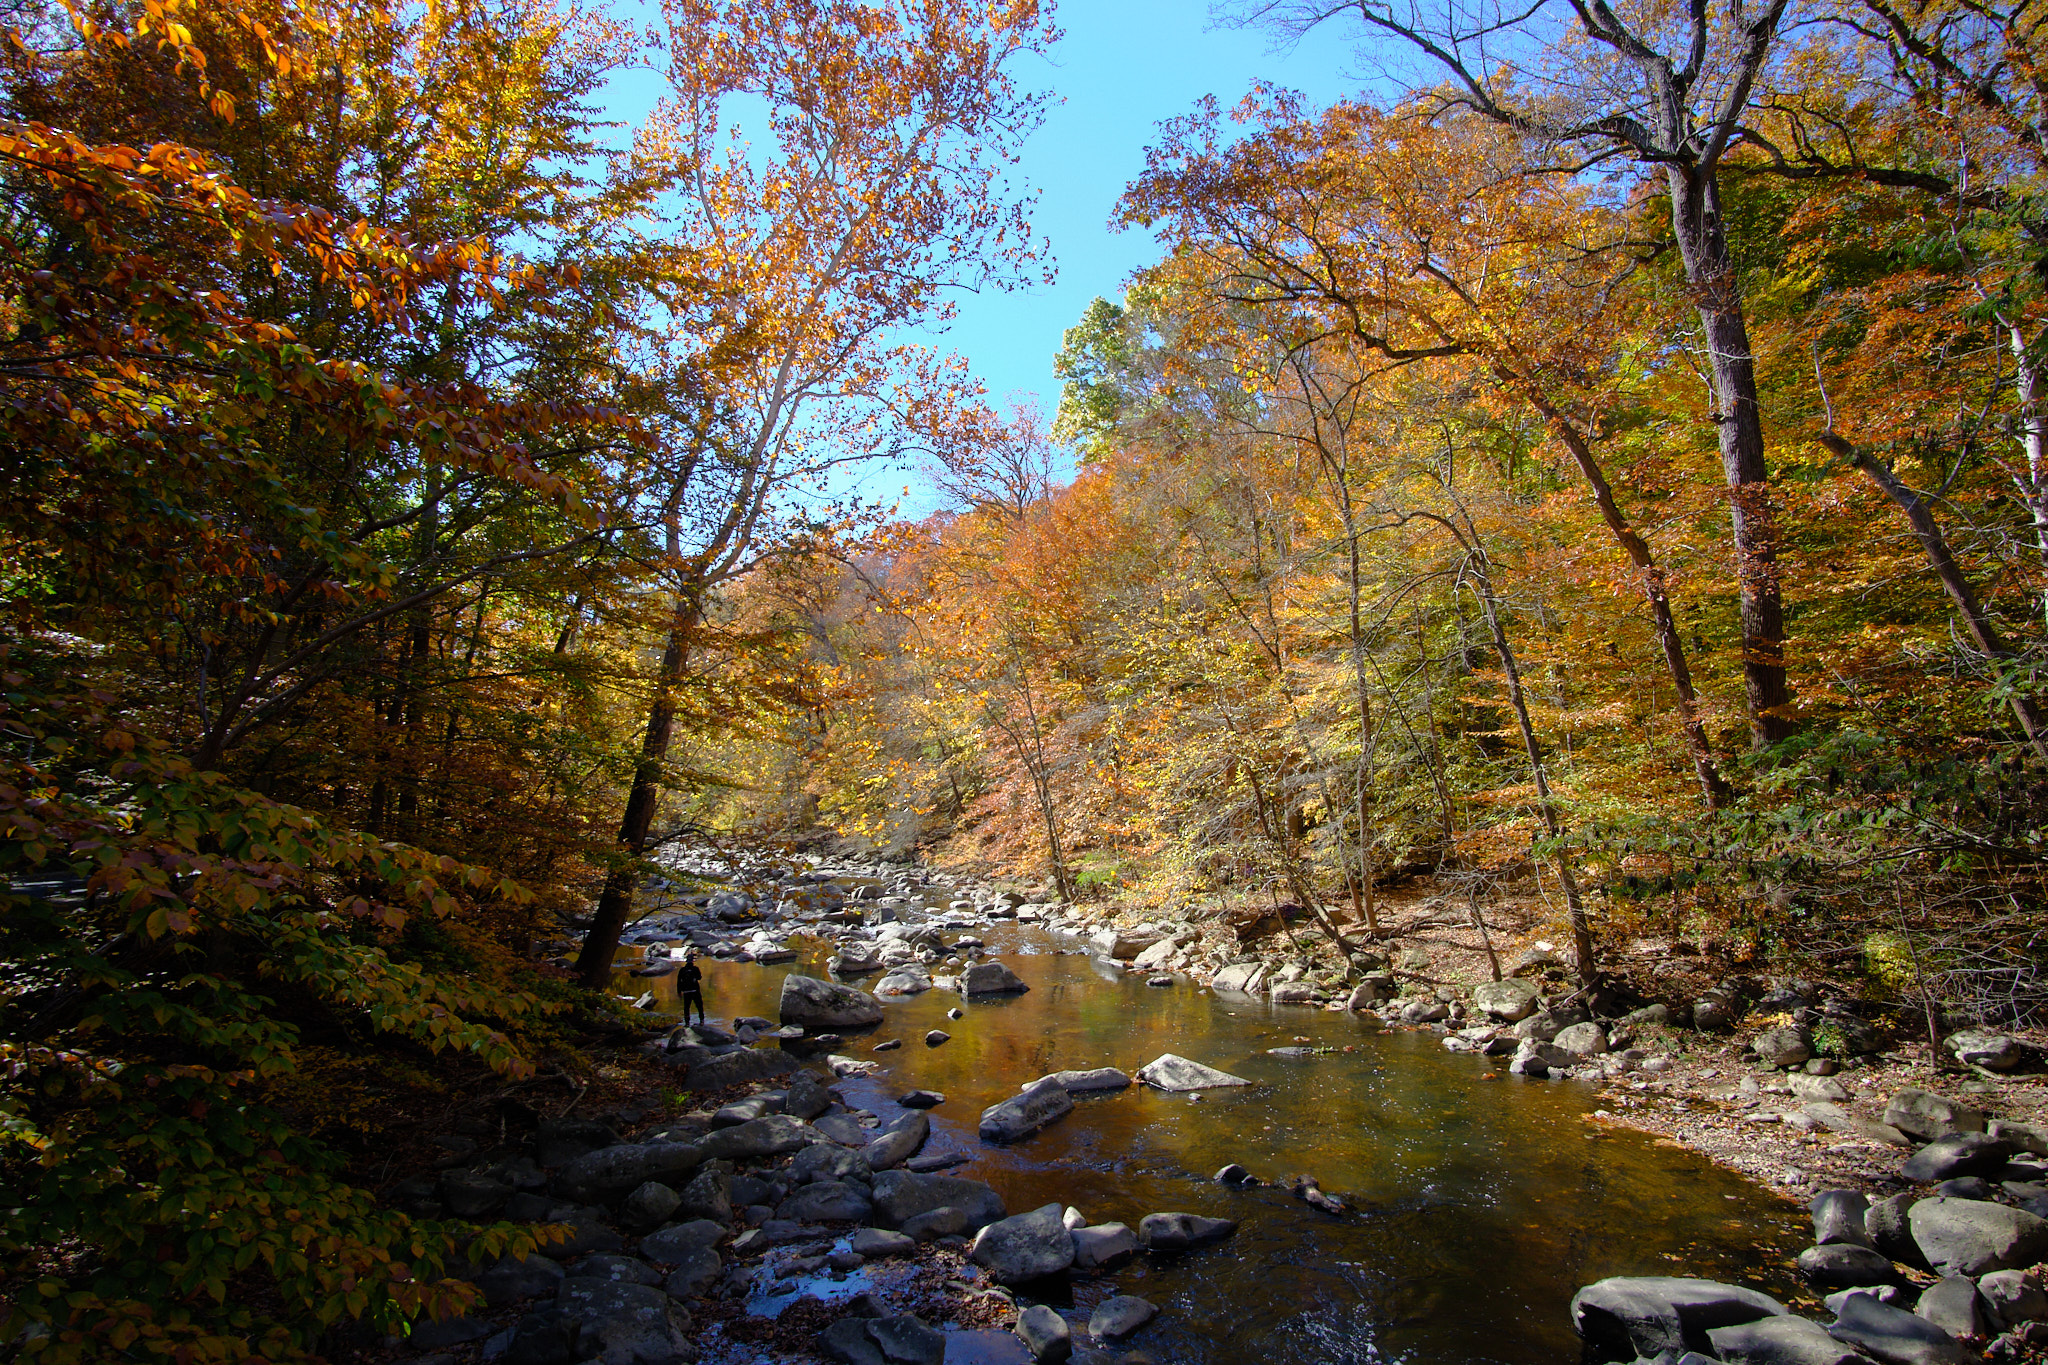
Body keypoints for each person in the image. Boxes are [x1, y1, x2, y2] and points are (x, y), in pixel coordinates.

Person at [676, 948, 706, 1025]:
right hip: (695, 990)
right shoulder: (695, 969)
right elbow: (699, 978)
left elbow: (679, 982)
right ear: (692, 961)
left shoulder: (682, 970)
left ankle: (687, 1022)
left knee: (686, 1007)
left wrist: (679, 992)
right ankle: (702, 1021)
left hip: (686, 991)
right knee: (699, 1006)